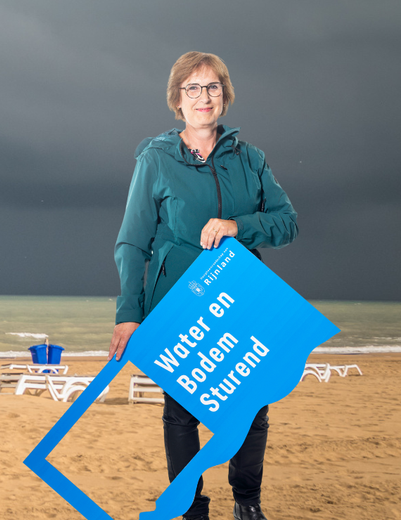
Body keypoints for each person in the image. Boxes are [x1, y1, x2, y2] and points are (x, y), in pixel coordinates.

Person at [109, 52, 298, 520]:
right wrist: (128, 312)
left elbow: (287, 223)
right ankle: (192, 508)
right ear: (177, 99)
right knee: (182, 414)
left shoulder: (250, 158)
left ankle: (247, 502)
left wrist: (238, 225)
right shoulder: (155, 158)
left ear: (224, 96)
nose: (203, 97)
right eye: (192, 88)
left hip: (240, 302)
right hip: (179, 304)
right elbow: (133, 241)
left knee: (251, 410)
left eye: (212, 87)